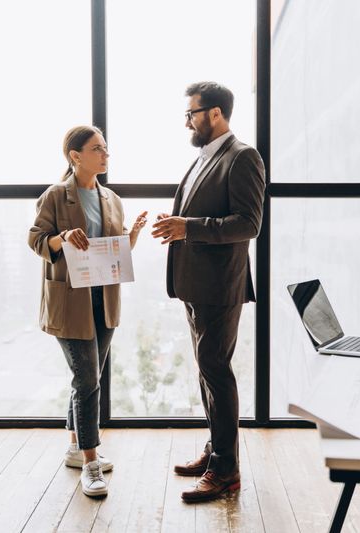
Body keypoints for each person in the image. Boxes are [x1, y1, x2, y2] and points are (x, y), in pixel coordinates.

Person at [152, 82, 265, 502]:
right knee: (207, 370)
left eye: (192, 113)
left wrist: (189, 227)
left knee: (216, 370)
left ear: (215, 114)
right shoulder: (203, 158)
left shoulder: (243, 157)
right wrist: (178, 222)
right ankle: (218, 448)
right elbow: (203, 215)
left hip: (220, 286)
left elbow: (248, 224)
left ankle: (226, 470)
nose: (188, 121)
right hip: (196, 284)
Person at [28, 125, 147, 498]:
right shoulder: (54, 196)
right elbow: (36, 238)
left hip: (103, 298)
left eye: (106, 148)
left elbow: (114, 248)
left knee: (87, 376)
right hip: (69, 299)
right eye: (98, 149)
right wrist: (61, 238)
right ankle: (90, 463)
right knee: (87, 380)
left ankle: (74, 445)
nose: (105, 154)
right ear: (75, 156)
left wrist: (133, 237)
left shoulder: (111, 198)